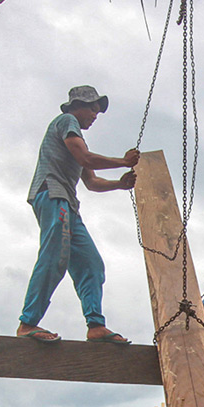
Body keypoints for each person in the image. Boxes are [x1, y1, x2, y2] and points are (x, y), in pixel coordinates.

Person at [18, 85, 140, 344]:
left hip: (69, 205)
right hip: (53, 195)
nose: (96, 115)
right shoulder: (66, 121)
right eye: (93, 109)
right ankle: (28, 323)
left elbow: (92, 182)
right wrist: (123, 161)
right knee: (54, 257)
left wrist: (120, 183)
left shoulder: (76, 139)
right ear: (78, 106)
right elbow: (86, 159)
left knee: (91, 264)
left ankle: (96, 326)